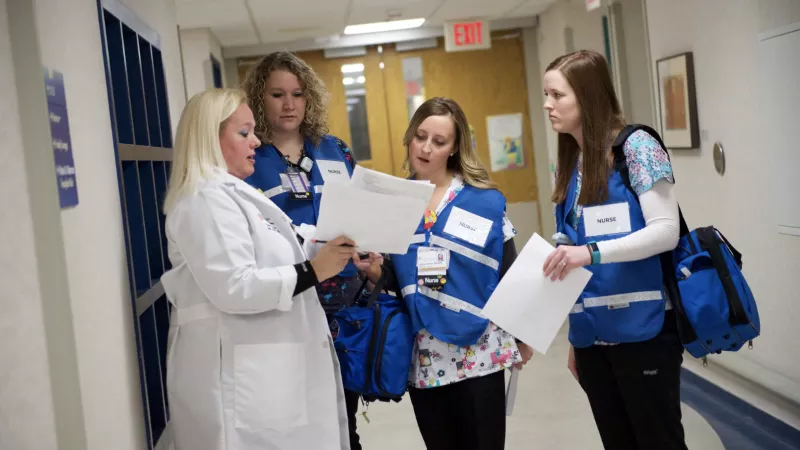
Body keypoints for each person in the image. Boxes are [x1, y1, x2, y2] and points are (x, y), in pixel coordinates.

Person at [160, 88, 371, 450]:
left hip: (267, 375)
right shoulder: (203, 202)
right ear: (210, 138)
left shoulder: (235, 194)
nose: (256, 141)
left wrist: (335, 249)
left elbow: (283, 244)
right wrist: (315, 270)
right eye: (244, 133)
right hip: (239, 383)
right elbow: (235, 287)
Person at [364, 97, 534, 450]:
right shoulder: (395, 203)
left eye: (438, 142)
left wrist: (523, 333)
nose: (425, 148)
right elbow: (399, 281)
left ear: (455, 148)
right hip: (425, 357)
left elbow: (508, 267)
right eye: (420, 136)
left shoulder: (482, 201)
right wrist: (374, 269)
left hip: (479, 351)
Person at [541, 50, 688, 450]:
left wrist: (590, 253)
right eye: (546, 94)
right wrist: (576, 339)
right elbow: (571, 252)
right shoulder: (570, 163)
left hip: (645, 332)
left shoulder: (637, 147)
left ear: (587, 97)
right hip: (593, 338)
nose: (547, 105)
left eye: (557, 95)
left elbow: (665, 232)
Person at [240, 51, 368, 449]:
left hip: (344, 305)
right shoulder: (248, 158)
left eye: (297, 93)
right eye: (277, 94)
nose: (289, 103)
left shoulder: (334, 150)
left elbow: (360, 212)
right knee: (301, 423)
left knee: (345, 421)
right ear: (261, 100)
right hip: (290, 306)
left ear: (309, 98)